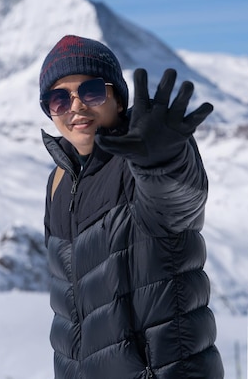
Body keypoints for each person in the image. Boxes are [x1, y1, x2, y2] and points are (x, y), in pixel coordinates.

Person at [39, 34, 224, 379]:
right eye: (59, 98)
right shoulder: (58, 184)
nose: (76, 106)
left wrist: (164, 160)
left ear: (119, 99)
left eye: (91, 91)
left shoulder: (144, 158)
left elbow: (178, 203)